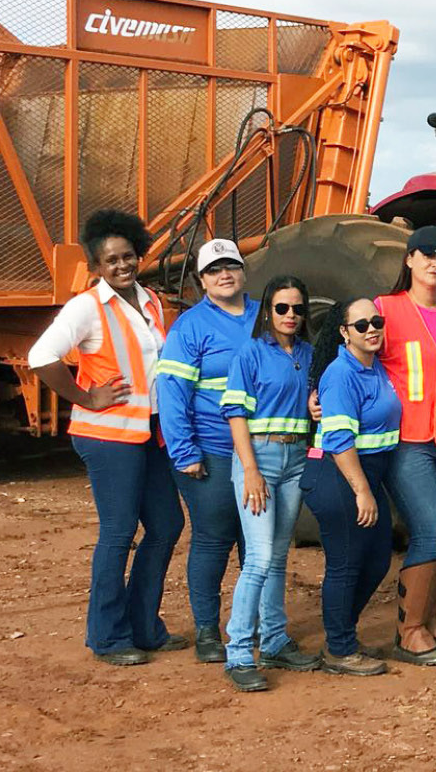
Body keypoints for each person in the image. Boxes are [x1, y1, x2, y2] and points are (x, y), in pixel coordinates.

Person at [28, 210, 186, 665]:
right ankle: (109, 637)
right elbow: (41, 355)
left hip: (150, 432)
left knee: (167, 526)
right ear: (96, 267)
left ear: (140, 255)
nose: (122, 265)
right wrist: (85, 396)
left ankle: (144, 627)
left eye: (128, 256)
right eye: (110, 260)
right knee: (119, 533)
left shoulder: (151, 301)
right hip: (108, 435)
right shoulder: (87, 307)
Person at [373, 226, 436, 666]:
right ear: (410, 260)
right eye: (426, 254)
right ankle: (408, 630)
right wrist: (320, 392)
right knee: (431, 528)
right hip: (407, 439)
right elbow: (348, 350)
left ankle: (430, 623)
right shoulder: (385, 309)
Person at [154, 238, 259, 663]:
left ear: (243, 269)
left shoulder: (266, 317)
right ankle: (207, 630)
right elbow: (172, 391)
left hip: (261, 450)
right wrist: (185, 452)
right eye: (215, 270)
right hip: (211, 450)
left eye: (231, 265)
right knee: (215, 540)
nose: (225, 274)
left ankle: (255, 626)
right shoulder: (190, 327)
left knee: (257, 544)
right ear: (202, 281)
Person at [218, 276, 321, 692]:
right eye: (282, 308)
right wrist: (250, 471)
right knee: (259, 557)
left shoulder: (309, 354)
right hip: (258, 458)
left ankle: (275, 640)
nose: (291, 316)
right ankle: (239, 651)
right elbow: (236, 414)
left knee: (277, 557)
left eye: (297, 309)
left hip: (296, 458)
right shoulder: (251, 353)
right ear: (267, 311)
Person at [301, 298, 401, 676]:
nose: (371, 329)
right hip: (338, 476)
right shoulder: (341, 374)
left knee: (374, 562)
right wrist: (362, 490)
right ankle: (339, 650)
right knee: (345, 564)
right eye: (361, 325)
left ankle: (341, 633)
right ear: (344, 332)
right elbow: (340, 439)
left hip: (363, 476)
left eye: (376, 321)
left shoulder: (373, 368)